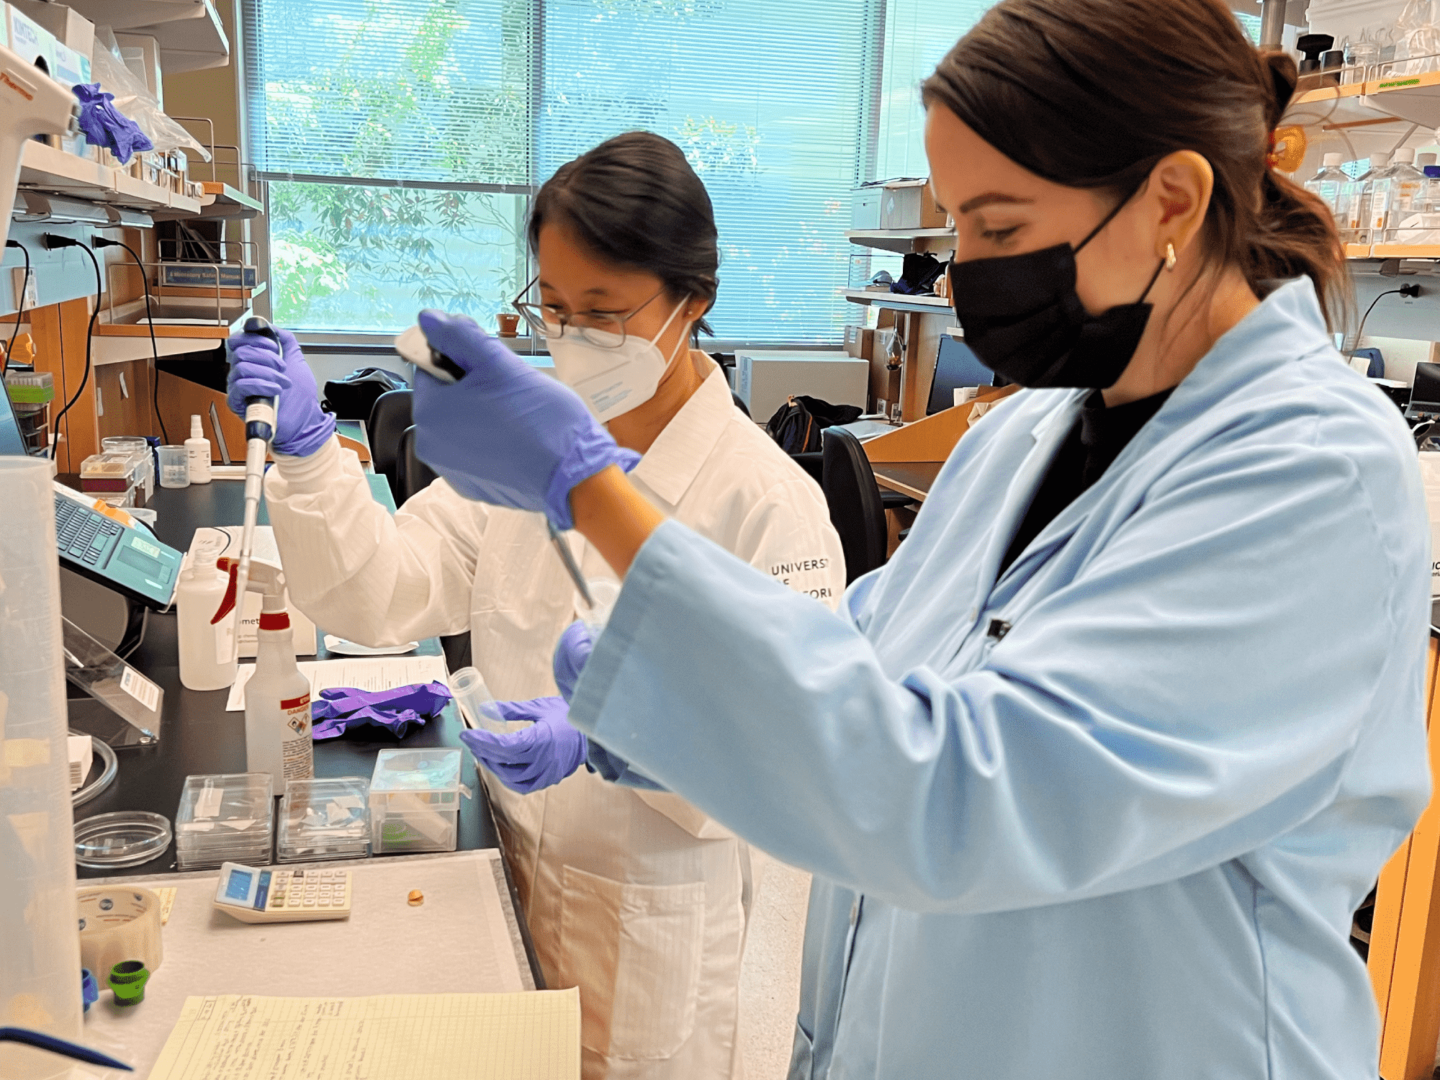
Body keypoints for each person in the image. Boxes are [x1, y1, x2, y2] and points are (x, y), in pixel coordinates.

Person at [405, 1, 1435, 1077]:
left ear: (1170, 200)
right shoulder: (1033, 427)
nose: (959, 277)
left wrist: (588, 487)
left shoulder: (1312, 470)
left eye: (998, 228)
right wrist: (637, 710)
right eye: (955, 231)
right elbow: (867, 654)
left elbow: (965, 794)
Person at [225, 131, 845, 1079]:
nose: (571, 338)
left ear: (694, 302)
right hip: (505, 865)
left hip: (652, 917)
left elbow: (797, 763)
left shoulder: (767, 502)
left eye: (603, 311)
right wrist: (312, 454)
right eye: (553, 307)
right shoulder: (524, 449)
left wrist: (614, 735)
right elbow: (383, 593)